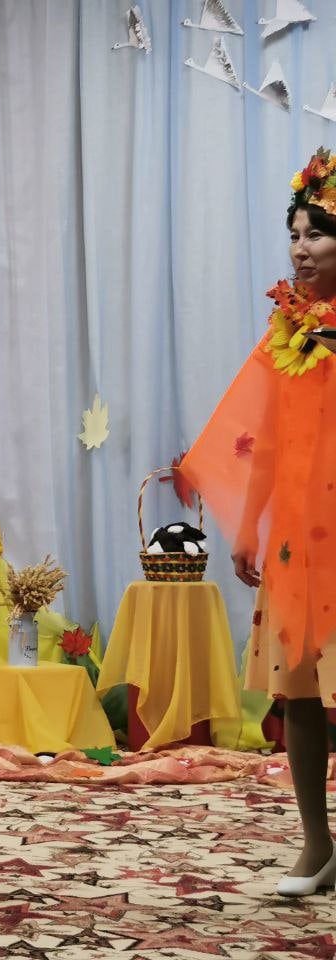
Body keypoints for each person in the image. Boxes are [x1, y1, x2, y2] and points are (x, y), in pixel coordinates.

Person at [181, 148, 336, 897]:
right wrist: (246, 528)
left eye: (317, 234)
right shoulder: (287, 332)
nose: (301, 249)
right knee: (300, 690)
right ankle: (317, 843)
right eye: (294, 236)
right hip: (299, 536)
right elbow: (266, 439)